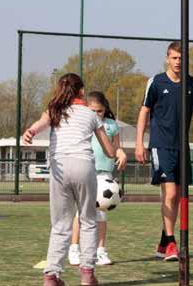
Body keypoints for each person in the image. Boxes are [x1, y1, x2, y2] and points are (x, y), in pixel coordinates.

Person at [24, 73, 125, 286]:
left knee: (60, 224)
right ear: (81, 91)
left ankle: (51, 276)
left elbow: (39, 124)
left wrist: (30, 131)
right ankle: (87, 274)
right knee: (88, 221)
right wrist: (118, 151)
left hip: (59, 169)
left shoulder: (54, 110)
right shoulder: (90, 115)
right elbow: (108, 151)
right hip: (84, 168)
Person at [135, 41, 193, 262]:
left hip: (181, 148)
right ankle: (172, 243)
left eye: (182, 58)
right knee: (171, 194)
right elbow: (144, 113)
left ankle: (163, 242)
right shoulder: (156, 82)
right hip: (161, 145)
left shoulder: (192, 84)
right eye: (174, 58)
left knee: (177, 197)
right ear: (168, 58)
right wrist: (140, 143)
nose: (178, 62)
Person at [69, 91, 127, 267]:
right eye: (92, 111)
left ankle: (100, 251)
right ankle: (74, 249)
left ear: (105, 110)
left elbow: (116, 147)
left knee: (101, 213)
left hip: (105, 176)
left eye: (100, 111)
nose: (96, 115)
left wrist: (121, 152)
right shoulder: (81, 124)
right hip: (86, 172)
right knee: (81, 212)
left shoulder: (111, 125)